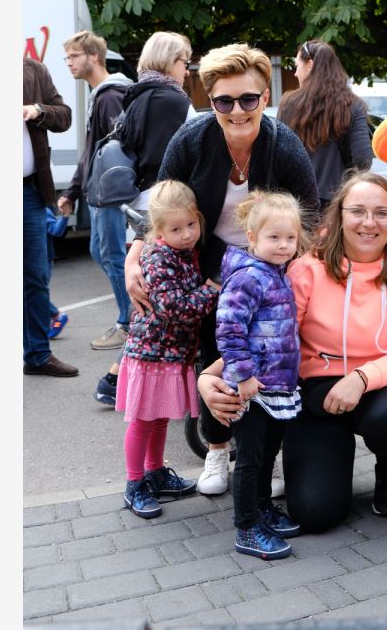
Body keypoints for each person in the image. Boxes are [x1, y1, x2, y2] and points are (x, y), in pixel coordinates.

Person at [126, 43, 319, 497]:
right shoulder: (192, 140)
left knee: (269, 358)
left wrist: (299, 276)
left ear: (265, 97)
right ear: (210, 101)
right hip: (209, 268)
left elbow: (310, 215)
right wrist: (135, 254)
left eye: (248, 98)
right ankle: (216, 448)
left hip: (271, 268)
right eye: (224, 101)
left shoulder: (283, 145)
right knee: (215, 353)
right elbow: (160, 203)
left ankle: (265, 455)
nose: (237, 111)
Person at [200, 171, 387, 532]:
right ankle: (329, 462)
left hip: (378, 387)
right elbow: (272, 336)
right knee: (314, 513)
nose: (369, 222)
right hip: (315, 391)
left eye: (381, 213)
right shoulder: (308, 268)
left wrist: (361, 378)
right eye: (358, 211)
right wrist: (209, 376)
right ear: (340, 215)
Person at [94, 31, 197, 407]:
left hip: (140, 204)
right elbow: (180, 157)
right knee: (164, 303)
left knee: (152, 297)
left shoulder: (137, 95)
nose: (187, 70)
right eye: (184, 61)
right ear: (169, 61)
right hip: (166, 206)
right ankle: (118, 379)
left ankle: (119, 379)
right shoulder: (172, 99)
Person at [117, 180, 221, 519]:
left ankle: (156, 472)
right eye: (176, 229)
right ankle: (134, 483)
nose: (187, 234)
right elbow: (174, 309)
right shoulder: (160, 258)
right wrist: (211, 290)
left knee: (158, 418)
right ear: (158, 230)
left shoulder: (183, 252)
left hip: (169, 354)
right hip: (152, 355)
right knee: (143, 421)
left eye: (191, 224)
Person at [215, 192, 306, 560]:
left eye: (290, 238)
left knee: (268, 454)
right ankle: (247, 526)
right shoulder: (249, 278)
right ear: (252, 238)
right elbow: (229, 328)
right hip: (252, 388)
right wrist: (243, 376)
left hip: (276, 384)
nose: (283, 245)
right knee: (250, 459)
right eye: (274, 237)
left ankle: (263, 507)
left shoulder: (277, 274)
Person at [56, 31, 135, 351]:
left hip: (108, 194)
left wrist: (107, 191)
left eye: (74, 56)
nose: (69, 62)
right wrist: (72, 192)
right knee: (100, 253)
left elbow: (117, 150)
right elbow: (91, 152)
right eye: (67, 57)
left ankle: (130, 324)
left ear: (94, 57)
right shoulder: (98, 95)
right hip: (97, 193)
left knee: (113, 257)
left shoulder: (110, 96)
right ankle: (135, 315)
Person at [23, 57, 78, 377]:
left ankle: (38, 356)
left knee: (35, 277)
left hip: (29, 191)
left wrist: (38, 110)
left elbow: (64, 116)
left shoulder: (32, 70)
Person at [277, 39, 373, 210]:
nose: (295, 73)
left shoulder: (288, 104)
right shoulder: (354, 105)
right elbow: (362, 160)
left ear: (309, 65)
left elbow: (280, 155)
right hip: (339, 204)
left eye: (296, 66)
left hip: (297, 204)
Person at [45, 207, 70, 338]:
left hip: (42, 261)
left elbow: (56, 231)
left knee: (33, 293)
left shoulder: (42, 210)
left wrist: (65, 216)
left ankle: (57, 315)